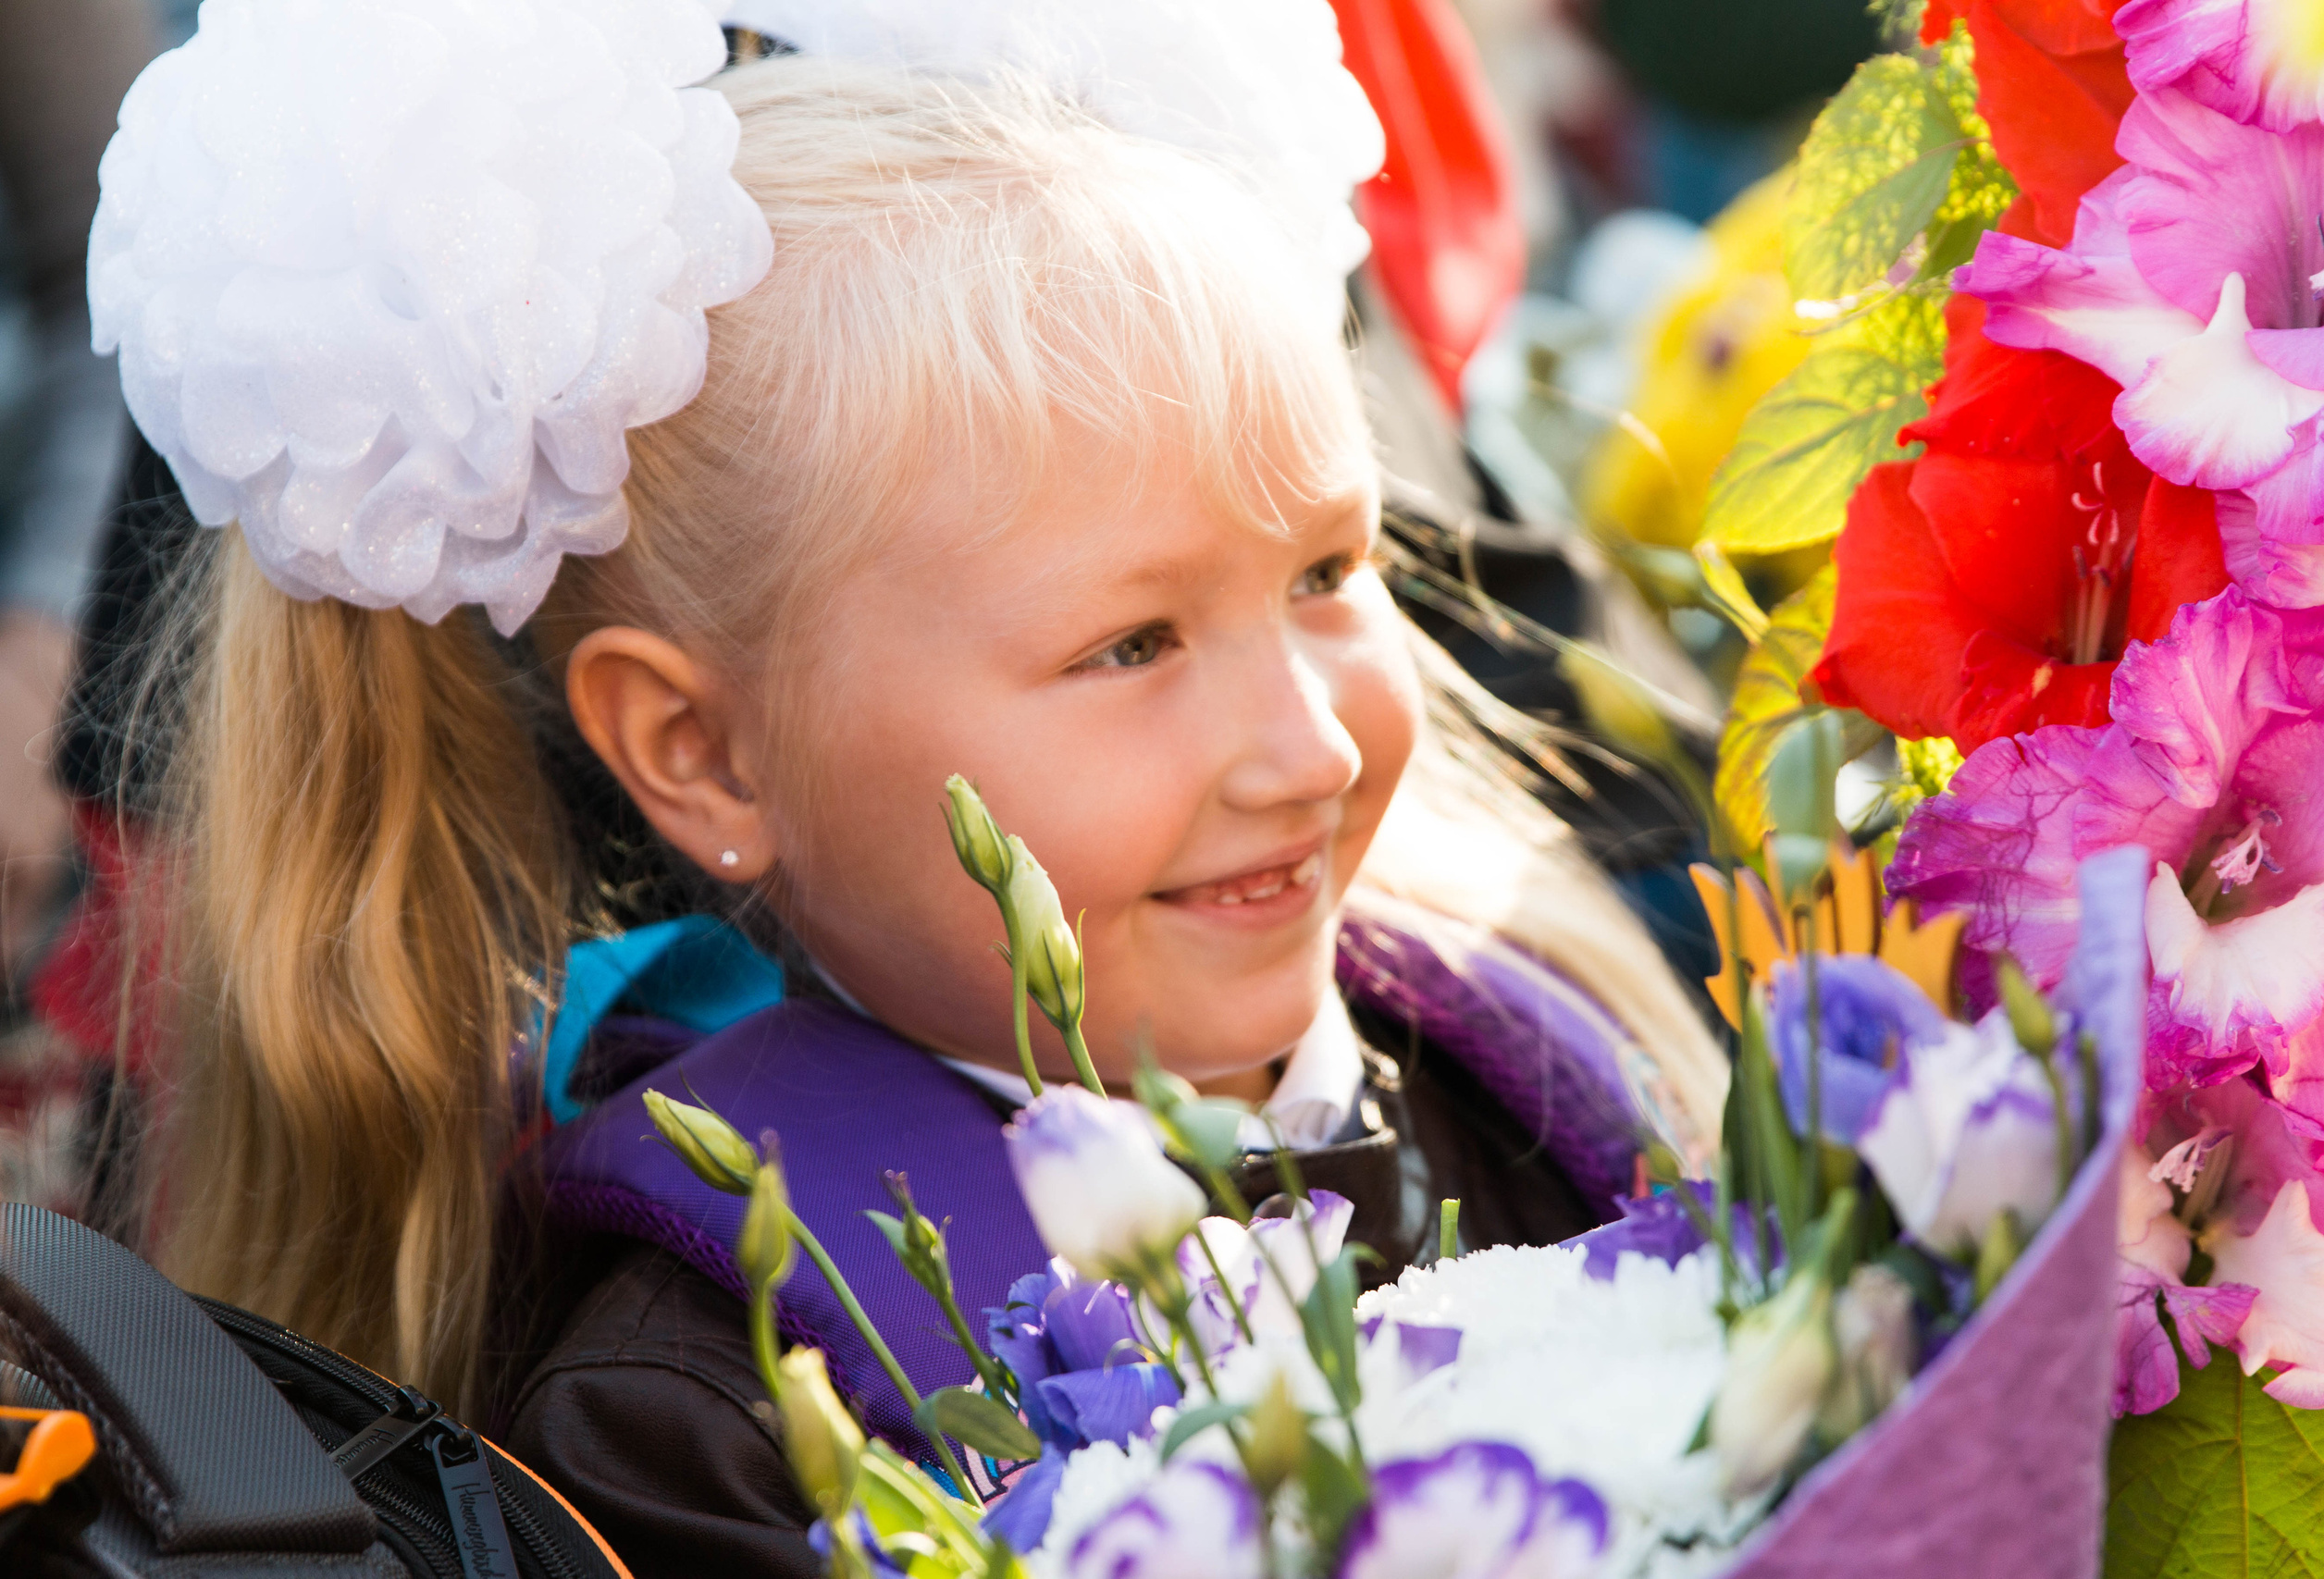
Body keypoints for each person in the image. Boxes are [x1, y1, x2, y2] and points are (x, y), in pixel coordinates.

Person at [89, 5, 1724, 1573]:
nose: (1316, 748)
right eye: (1130, 645)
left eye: (1327, 571)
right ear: (701, 751)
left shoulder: (1521, 1077)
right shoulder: (712, 1422)